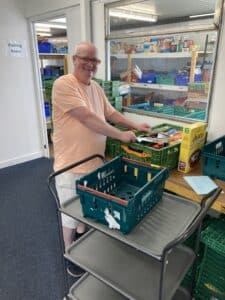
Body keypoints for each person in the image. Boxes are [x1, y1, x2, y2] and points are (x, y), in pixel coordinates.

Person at [52, 41, 150, 277]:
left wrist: (135, 124)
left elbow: (110, 113)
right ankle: (69, 253)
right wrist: (120, 135)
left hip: (94, 161)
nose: (90, 64)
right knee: (69, 213)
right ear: (74, 59)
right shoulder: (63, 84)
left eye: (94, 60)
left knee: (87, 208)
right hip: (70, 164)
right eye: (85, 58)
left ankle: (84, 239)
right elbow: (87, 118)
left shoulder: (95, 87)